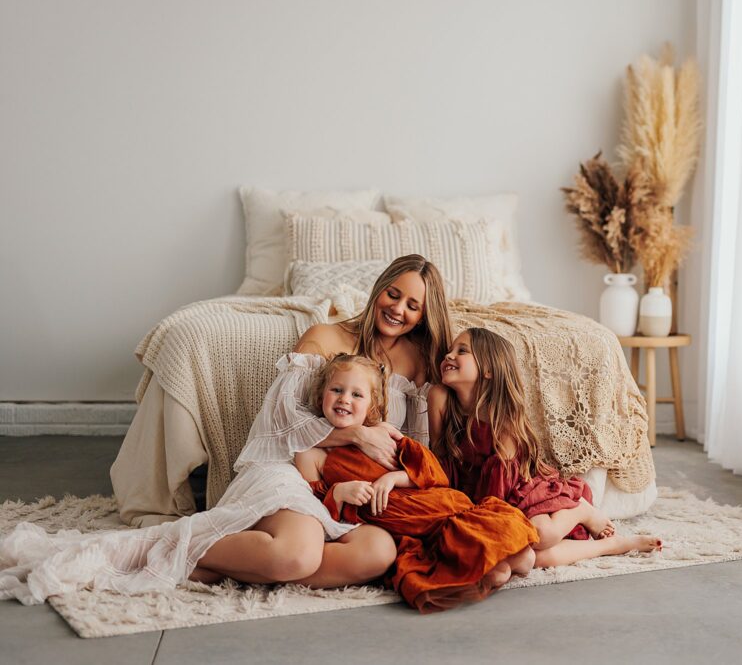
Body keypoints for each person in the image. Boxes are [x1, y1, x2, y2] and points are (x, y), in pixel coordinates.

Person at [0, 255, 452, 604]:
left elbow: (414, 450)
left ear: (425, 314)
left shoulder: (416, 363)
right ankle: (167, 548)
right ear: (379, 290)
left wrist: (392, 476)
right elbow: (278, 424)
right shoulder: (325, 337)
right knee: (296, 555)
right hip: (288, 471)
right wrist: (354, 434)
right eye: (393, 294)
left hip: (350, 489)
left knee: (378, 554)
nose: (399, 309)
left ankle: (227, 565)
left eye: (414, 305)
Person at [295, 353, 537, 613]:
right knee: (499, 572)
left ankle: (584, 542)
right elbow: (312, 509)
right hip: (411, 533)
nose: (344, 399)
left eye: (357, 395)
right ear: (322, 397)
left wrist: (394, 477)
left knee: (526, 558)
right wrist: (339, 492)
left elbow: (433, 470)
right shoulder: (311, 454)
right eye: (337, 390)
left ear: (371, 407)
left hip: (441, 508)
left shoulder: (382, 433)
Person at [428, 327, 662, 568]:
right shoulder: (439, 397)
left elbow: (501, 484)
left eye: (462, 351)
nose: (449, 355)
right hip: (473, 492)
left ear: (488, 369)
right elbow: (438, 459)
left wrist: (492, 525)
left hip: (517, 490)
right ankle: (608, 546)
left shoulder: (503, 418)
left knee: (541, 534)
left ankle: (582, 511)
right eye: (449, 350)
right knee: (536, 558)